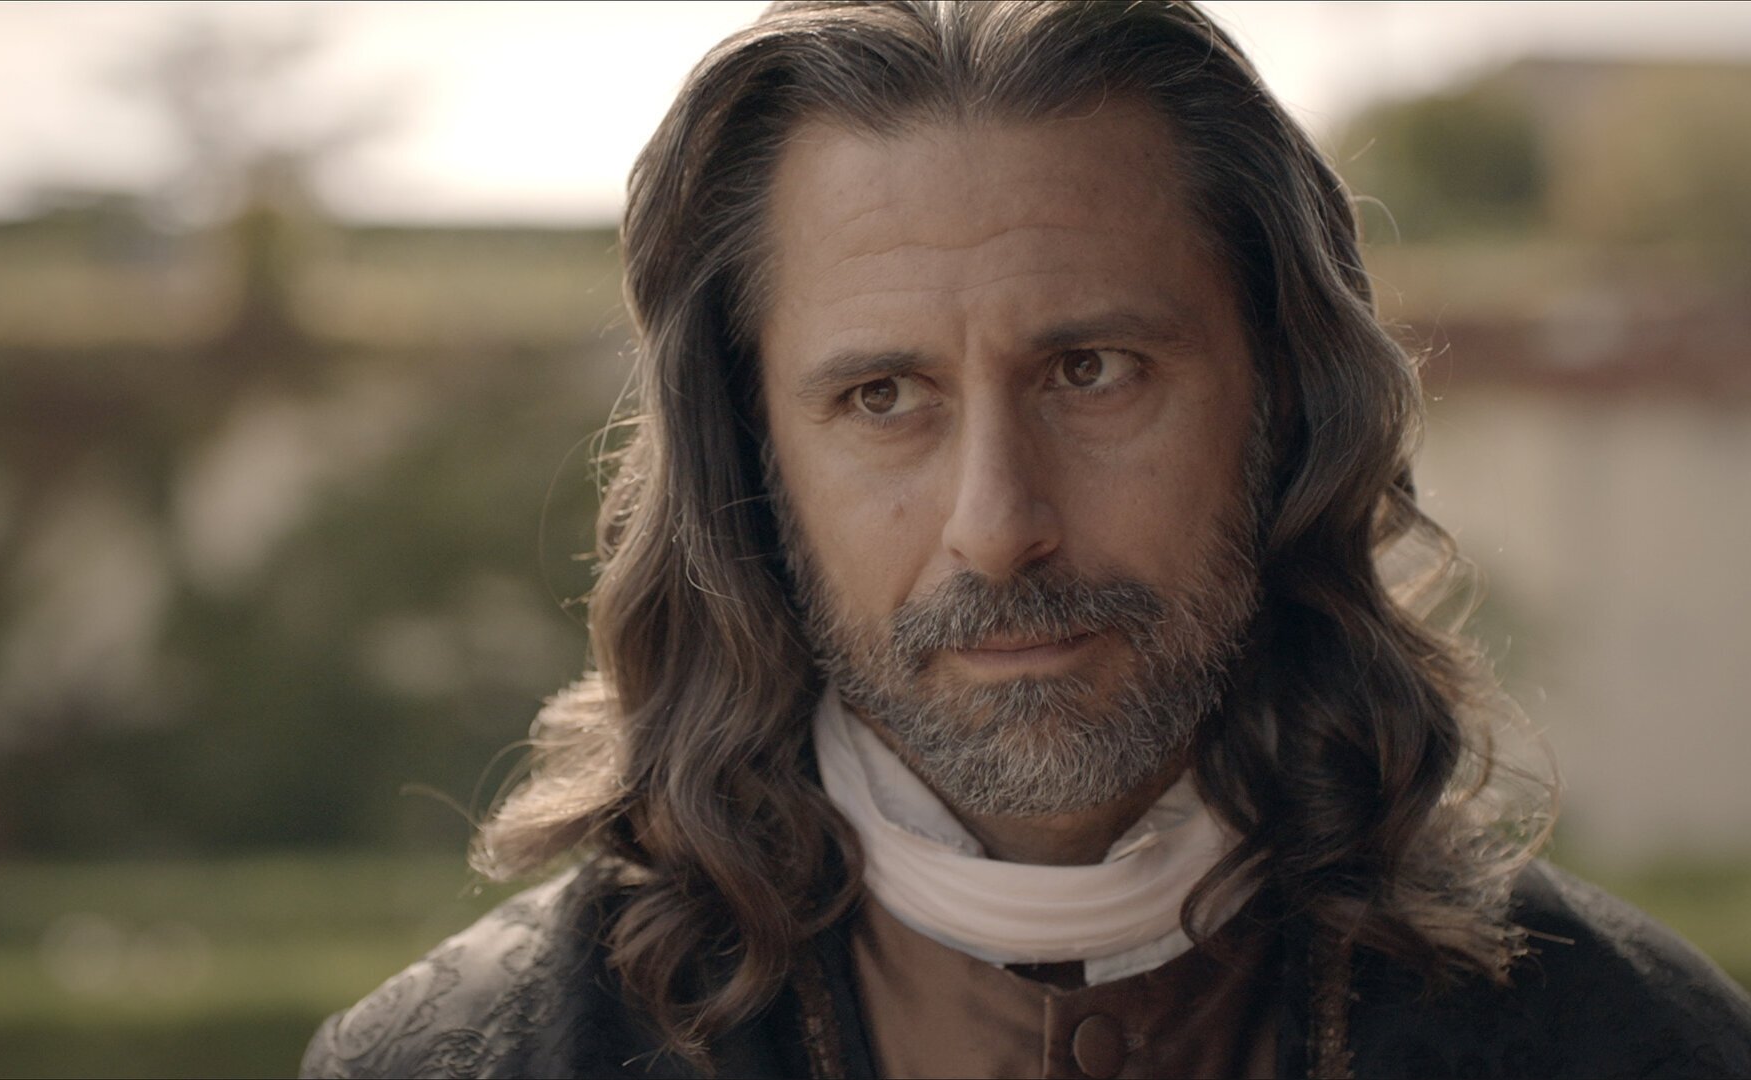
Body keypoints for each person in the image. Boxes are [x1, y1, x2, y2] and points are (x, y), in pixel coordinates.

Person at [302, 3, 1751, 1077]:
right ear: (753, 461)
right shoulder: (460, 1064)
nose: (999, 527)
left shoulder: (1641, 1046)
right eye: (883, 398)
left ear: (1285, 402)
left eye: (1092, 372)